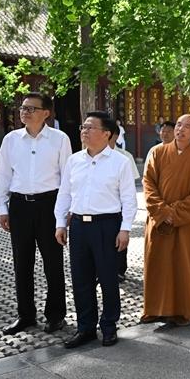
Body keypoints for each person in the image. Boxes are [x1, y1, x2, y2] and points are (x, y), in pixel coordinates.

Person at [54, 111, 137, 348]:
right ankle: (85, 328)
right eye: (83, 127)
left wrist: (125, 229)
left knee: (109, 278)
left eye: (90, 127)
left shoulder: (120, 162)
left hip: (107, 225)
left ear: (106, 133)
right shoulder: (74, 161)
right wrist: (60, 223)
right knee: (81, 279)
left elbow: (129, 200)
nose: (84, 131)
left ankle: (109, 326)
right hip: (79, 226)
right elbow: (64, 194)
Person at [0, 92, 72, 335]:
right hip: (19, 206)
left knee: (53, 263)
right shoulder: (11, 139)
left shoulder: (60, 139)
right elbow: (3, 175)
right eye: (23, 108)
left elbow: (67, 178)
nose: (25, 112)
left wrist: (64, 214)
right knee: (22, 263)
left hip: (49, 205)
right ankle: (26, 315)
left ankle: (56, 315)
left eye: (31, 108)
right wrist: (2, 208)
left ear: (46, 113)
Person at [141, 114, 190, 326]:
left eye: (187, 126)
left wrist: (175, 213)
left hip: (183, 223)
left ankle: (180, 311)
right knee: (156, 264)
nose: (181, 129)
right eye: (179, 125)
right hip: (158, 220)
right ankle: (154, 309)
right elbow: (148, 183)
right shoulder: (157, 152)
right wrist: (162, 211)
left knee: (182, 265)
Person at [109, 121, 140, 283]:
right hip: (100, 209)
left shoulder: (125, 157)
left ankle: (120, 270)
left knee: (119, 239)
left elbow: (130, 186)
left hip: (119, 206)